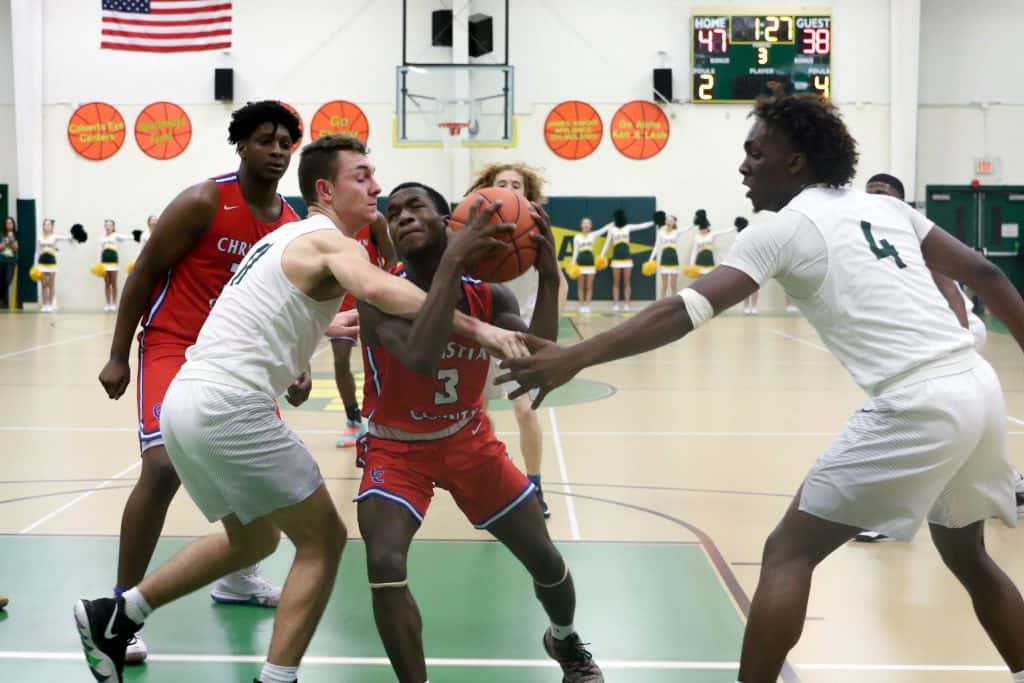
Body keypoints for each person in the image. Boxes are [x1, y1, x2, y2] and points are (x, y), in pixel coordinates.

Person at [499, 94, 1024, 683]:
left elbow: (682, 310)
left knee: (787, 553)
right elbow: (987, 273)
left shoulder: (783, 229)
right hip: (978, 388)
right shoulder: (886, 208)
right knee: (969, 557)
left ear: (794, 160)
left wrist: (576, 355)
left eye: (755, 152)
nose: (743, 165)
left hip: (918, 401)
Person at [76, 134, 528, 683]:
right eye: (361, 176)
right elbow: (381, 289)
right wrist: (479, 327)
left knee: (255, 539)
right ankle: (277, 678)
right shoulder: (334, 242)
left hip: (187, 404)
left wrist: (317, 330)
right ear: (325, 190)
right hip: (230, 406)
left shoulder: (283, 238)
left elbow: (260, 310)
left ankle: (117, 615)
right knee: (324, 539)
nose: (376, 187)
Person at [355, 181, 603, 683]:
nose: (401, 216)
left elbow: (538, 359)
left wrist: (550, 279)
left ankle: (564, 638)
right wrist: (452, 261)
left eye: (415, 206)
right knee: (383, 562)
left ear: (449, 222)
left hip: (467, 439)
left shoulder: (490, 295)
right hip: (395, 447)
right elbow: (422, 357)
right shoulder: (377, 294)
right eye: (393, 212)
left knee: (545, 560)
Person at [95, 101, 305, 664]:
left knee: (257, 464)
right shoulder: (204, 201)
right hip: (173, 344)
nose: (277, 151)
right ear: (241, 146)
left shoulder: (289, 224)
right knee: (163, 467)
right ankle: (119, 610)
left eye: (285, 143)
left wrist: (297, 364)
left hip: (238, 359)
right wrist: (119, 355)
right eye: (265, 140)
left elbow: (284, 303)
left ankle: (238, 578)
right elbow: (144, 272)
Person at [853, 172, 1024, 542]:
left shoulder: (911, 235)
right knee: (960, 428)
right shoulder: (869, 234)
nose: (875, 198)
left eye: (882, 192)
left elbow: (949, 291)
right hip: (921, 341)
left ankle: (887, 512)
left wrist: (957, 343)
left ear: (901, 199)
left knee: (907, 422)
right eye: (869, 193)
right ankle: (1012, 485)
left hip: (953, 337)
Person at [468, 162, 569, 518]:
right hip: (483, 332)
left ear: (528, 193)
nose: (509, 188)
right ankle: (497, 479)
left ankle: (534, 485)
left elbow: (560, 282)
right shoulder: (475, 229)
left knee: (525, 411)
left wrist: (549, 325)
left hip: (522, 333)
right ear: (489, 188)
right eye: (502, 183)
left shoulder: (535, 231)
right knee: (479, 415)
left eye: (516, 184)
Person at [332, 211, 396, 448]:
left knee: (384, 363)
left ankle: (386, 417)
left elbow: (391, 258)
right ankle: (353, 420)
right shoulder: (327, 222)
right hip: (343, 303)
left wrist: (380, 285)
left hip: (373, 301)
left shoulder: (374, 220)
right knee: (340, 360)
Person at [599, 209, 654, 311]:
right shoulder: (612, 230)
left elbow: (641, 226)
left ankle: (627, 304)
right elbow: (607, 244)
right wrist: (601, 256)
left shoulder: (628, 227)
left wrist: (654, 222)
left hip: (627, 260)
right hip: (616, 260)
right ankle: (615, 304)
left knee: (627, 282)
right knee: (616, 283)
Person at [571, 216, 610, 313]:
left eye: (588, 223)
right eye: (584, 223)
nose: (586, 225)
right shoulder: (577, 237)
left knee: (589, 287)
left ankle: (587, 306)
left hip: (591, 265)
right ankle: (581, 305)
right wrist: (573, 264)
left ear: (591, 226)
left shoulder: (593, 235)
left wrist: (612, 224)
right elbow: (575, 252)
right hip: (580, 265)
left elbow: (603, 230)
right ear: (581, 225)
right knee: (580, 286)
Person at [37, 219, 73, 313]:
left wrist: (72, 236)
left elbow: (65, 238)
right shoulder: (40, 238)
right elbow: (37, 252)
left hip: (51, 262)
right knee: (44, 285)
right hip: (42, 262)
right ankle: (44, 304)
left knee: (51, 284)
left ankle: (50, 304)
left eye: (49, 225)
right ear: (43, 226)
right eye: (45, 224)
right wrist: (35, 265)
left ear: (51, 227)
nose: (47, 226)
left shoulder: (54, 237)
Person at [648, 213, 686, 296]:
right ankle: (662, 302)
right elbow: (656, 247)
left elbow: (687, 228)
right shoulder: (661, 232)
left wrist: (696, 223)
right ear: (665, 221)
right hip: (664, 260)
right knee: (664, 286)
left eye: (671, 220)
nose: (669, 222)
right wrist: (650, 259)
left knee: (673, 285)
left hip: (673, 259)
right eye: (667, 220)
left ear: (674, 222)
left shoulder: (676, 232)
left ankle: (674, 302)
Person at [99, 219, 133, 311]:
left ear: (113, 227)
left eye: (110, 225)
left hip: (113, 262)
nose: (108, 227)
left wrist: (135, 236)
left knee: (113, 283)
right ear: (104, 226)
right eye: (107, 225)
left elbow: (126, 237)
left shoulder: (116, 235)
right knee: (107, 284)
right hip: (104, 263)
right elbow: (100, 250)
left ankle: (114, 303)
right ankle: (108, 303)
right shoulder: (102, 238)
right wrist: (99, 263)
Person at [734, 217, 757, 314]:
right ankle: (747, 307)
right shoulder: (738, 236)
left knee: (754, 286)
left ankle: (752, 307)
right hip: (743, 264)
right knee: (746, 287)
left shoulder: (751, 235)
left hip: (752, 263)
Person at [1, 217, 19, 309]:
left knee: (7, 281)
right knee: (1, 281)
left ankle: (4, 301)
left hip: (10, 261)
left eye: (10, 223)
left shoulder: (16, 235)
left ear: (13, 224)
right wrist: (6, 241)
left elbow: (16, 248)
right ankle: (3, 303)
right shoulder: (1, 235)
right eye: (7, 223)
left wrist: (11, 240)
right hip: (1, 260)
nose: (9, 224)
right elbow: (0, 247)